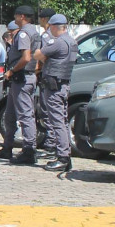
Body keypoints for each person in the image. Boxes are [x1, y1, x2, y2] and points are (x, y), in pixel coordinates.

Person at [0, 6, 40, 165]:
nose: (14, 18)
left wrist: (12, 71)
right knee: (10, 115)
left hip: (21, 77)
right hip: (22, 78)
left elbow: (26, 57)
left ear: (22, 16)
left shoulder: (23, 33)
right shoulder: (34, 32)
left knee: (25, 116)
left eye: (16, 15)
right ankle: (7, 146)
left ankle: (29, 150)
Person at [34, 14, 76, 175]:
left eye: (50, 27)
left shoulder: (58, 42)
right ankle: (65, 154)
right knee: (63, 121)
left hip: (54, 87)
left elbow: (37, 55)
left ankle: (63, 157)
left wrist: (43, 57)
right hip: (63, 85)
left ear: (54, 26)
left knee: (57, 121)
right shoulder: (72, 41)